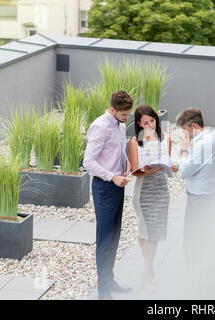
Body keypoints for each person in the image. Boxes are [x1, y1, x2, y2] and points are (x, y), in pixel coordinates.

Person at [83, 90, 133, 300]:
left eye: (128, 114)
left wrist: (127, 163)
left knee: (114, 236)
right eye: (123, 115)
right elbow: (89, 162)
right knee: (104, 240)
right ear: (112, 109)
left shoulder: (120, 125)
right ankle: (103, 292)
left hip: (118, 185)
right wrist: (112, 177)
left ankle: (109, 281)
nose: (126, 118)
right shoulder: (100, 126)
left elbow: (118, 151)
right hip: (104, 188)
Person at [128, 105, 177, 291]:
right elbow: (135, 171)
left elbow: (168, 162)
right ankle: (148, 272)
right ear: (139, 125)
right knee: (148, 231)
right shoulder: (135, 143)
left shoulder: (166, 139)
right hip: (144, 191)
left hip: (162, 190)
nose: (150, 124)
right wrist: (152, 169)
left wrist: (171, 167)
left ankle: (148, 269)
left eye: (152, 120)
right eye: (145, 122)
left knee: (154, 233)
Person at [175, 107, 215, 270]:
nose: (185, 135)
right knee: (206, 236)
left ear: (194, 126)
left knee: (192, 241)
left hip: (198, 200)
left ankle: (193, 277)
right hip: (211, 196)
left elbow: (184, 172)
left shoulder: (201, 145)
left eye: (185, 130)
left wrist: (184, 150)